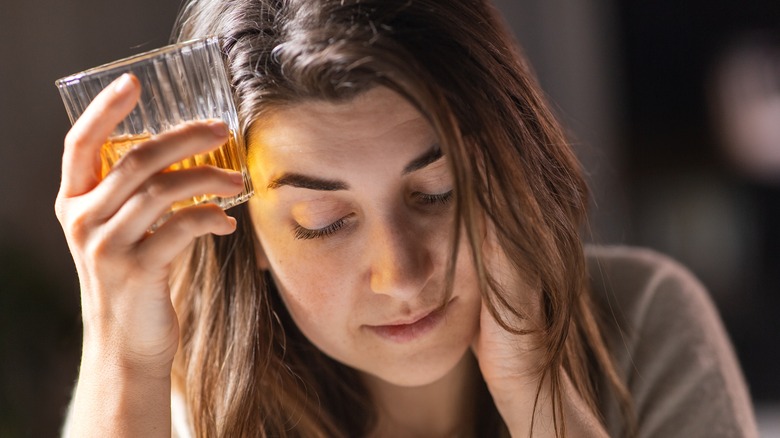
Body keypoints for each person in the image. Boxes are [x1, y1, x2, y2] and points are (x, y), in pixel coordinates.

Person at [56, 0, 758, 436]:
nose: (402, 274)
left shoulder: (643, 319)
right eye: (324, 219)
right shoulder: (187, 401)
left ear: (504, 170)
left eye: (437, 193)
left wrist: (534, 389)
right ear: (252, 237)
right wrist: (122, 352)